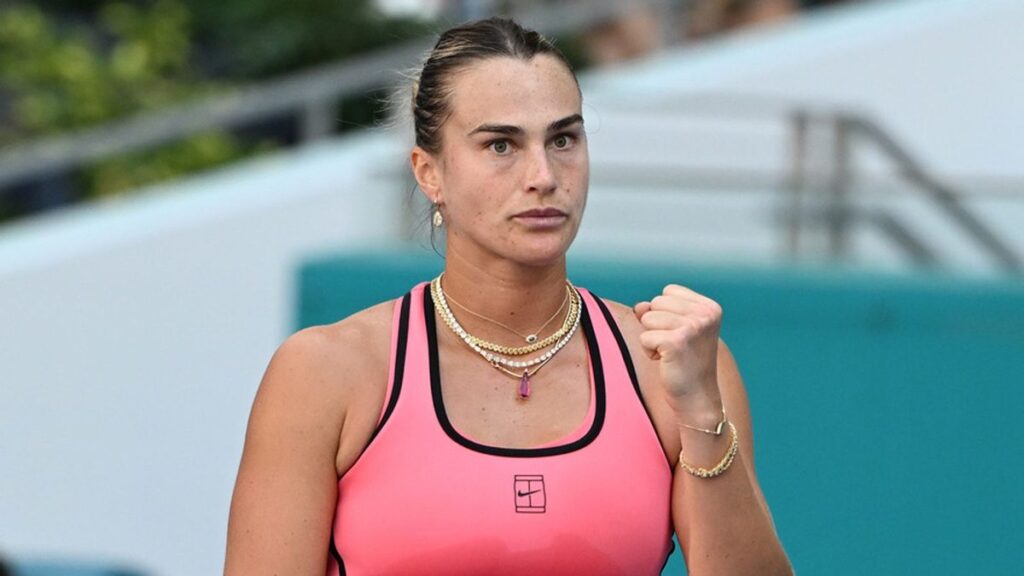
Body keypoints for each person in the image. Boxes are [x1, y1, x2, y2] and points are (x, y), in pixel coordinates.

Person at [225, 17, 792, 576]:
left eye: (563, 138)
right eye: (501, 145)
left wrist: (700, 415)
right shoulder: (323, 372)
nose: (543, 175)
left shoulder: (680, 368)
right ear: (429, 173)